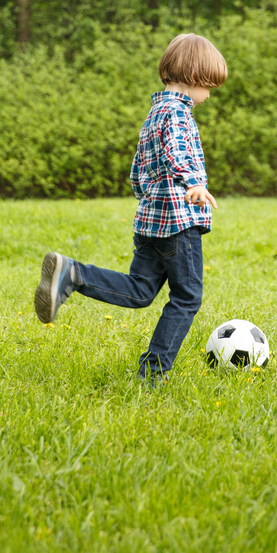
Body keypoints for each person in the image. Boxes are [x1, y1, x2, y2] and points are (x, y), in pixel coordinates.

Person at [34, 32, 227, 387]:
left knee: (140, 291)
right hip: (178, 223)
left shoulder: (154, 113)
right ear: (195, 77)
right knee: (187, 298)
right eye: (209, 87)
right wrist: (193, 183)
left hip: (151, 221)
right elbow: (178, 151)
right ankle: (153, 374)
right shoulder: (178, 113)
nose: (208, 96)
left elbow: (138, 171)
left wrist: (147, 196)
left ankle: (74, 274)